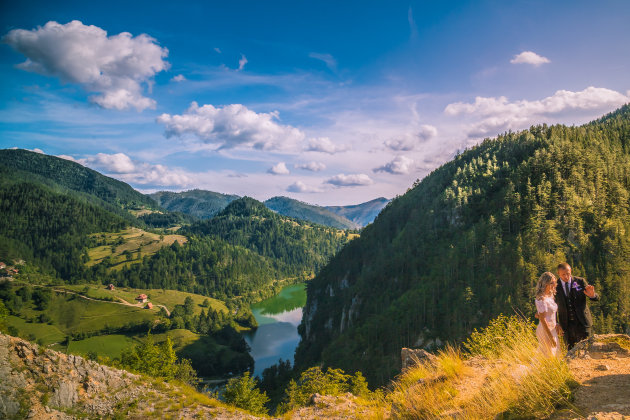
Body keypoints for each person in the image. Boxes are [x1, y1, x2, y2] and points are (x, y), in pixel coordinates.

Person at [555, 263, 599, 349]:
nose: (566, 277)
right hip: (566, 326)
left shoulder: (579, 281)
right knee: (570, 351)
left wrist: (592, 295)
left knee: (586, 349)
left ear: (570, 271)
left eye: (568, 273)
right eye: (563, 274)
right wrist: (556, 323)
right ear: (558, 273)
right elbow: (552, 307)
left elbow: (595, 297)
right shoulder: (555, 286)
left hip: (583, 323)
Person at [535, 272, 562, 357]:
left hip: (552, 329)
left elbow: (547, 314)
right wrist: (550, 337)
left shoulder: (550, 296)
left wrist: (556, 324)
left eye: (555, 282)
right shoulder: (541, 298)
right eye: (551, 283)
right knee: (548, 355)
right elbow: (543, 320)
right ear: (545, 283)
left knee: (555, 354)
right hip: (545, 330)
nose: (554, 284)